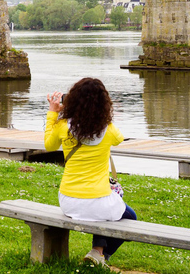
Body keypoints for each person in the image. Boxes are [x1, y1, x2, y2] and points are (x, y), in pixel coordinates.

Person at [45, 77, 137, 268]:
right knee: (129, 217)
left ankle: (98, 254)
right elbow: (119, 138)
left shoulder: (63, 127)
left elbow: (49, 145)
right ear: (104, 104)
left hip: (68, 200)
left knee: (104, 209)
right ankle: (101, 253)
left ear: (72, 101)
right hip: (99, 201)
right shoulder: (108, 130)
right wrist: (104, 117)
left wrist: (54, 114)